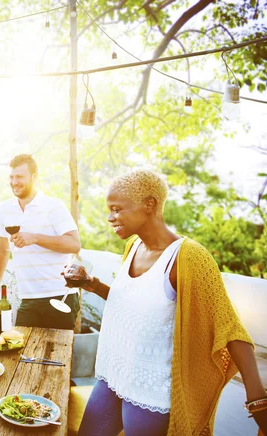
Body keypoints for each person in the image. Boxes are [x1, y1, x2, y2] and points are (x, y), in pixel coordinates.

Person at [72, 169, 267, 436]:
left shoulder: (188, 257)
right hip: (112, 375)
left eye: (117, 209)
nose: (110, 217)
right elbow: (134, 303)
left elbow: (229, 328)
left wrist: (257, 399)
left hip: (150, 392)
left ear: (149, 205)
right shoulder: (133, 247)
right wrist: (91, 284)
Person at [0, 154, 82, 329]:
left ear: (34, 177)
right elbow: (3, 248)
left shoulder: (53, 206)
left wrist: (35, 238)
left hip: (60, 295)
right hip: (28, 298)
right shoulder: (6, 208)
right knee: (23, 354)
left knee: (57, 355)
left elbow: (74, 244)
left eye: (20, 177)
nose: (14, 182)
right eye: (11, 177)